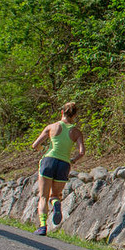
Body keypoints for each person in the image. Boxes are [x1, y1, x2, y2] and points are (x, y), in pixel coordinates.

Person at [30, 101, 85, 235]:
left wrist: (41, 148)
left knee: (43, 196)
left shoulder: (51, 127)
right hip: (64, 164)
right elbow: (82, 152)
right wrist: (73, 160)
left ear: (62, 112)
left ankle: (43, 226)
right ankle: (56, 203)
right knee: (55, 195)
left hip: (49, 161)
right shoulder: (76, 132)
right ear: (75, 115)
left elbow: (35, 145)